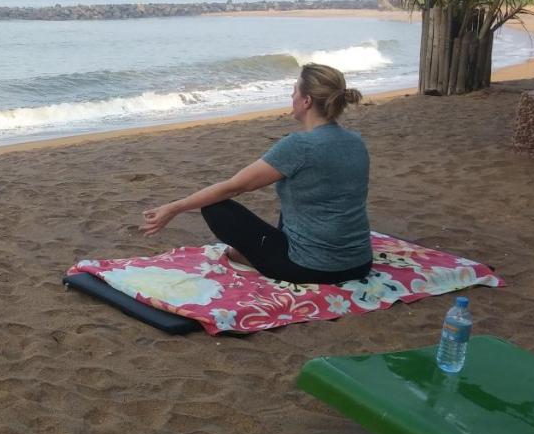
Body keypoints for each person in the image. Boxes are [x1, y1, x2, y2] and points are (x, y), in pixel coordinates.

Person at [139, 63, 372, 285]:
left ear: (307, 101)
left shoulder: (299, 145)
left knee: (216, 208)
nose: (291, 97)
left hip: (311, 267)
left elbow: (234, 186)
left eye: (294, 92)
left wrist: (173, 208)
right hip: (360, 263)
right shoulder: (356, 141)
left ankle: (244, 257)